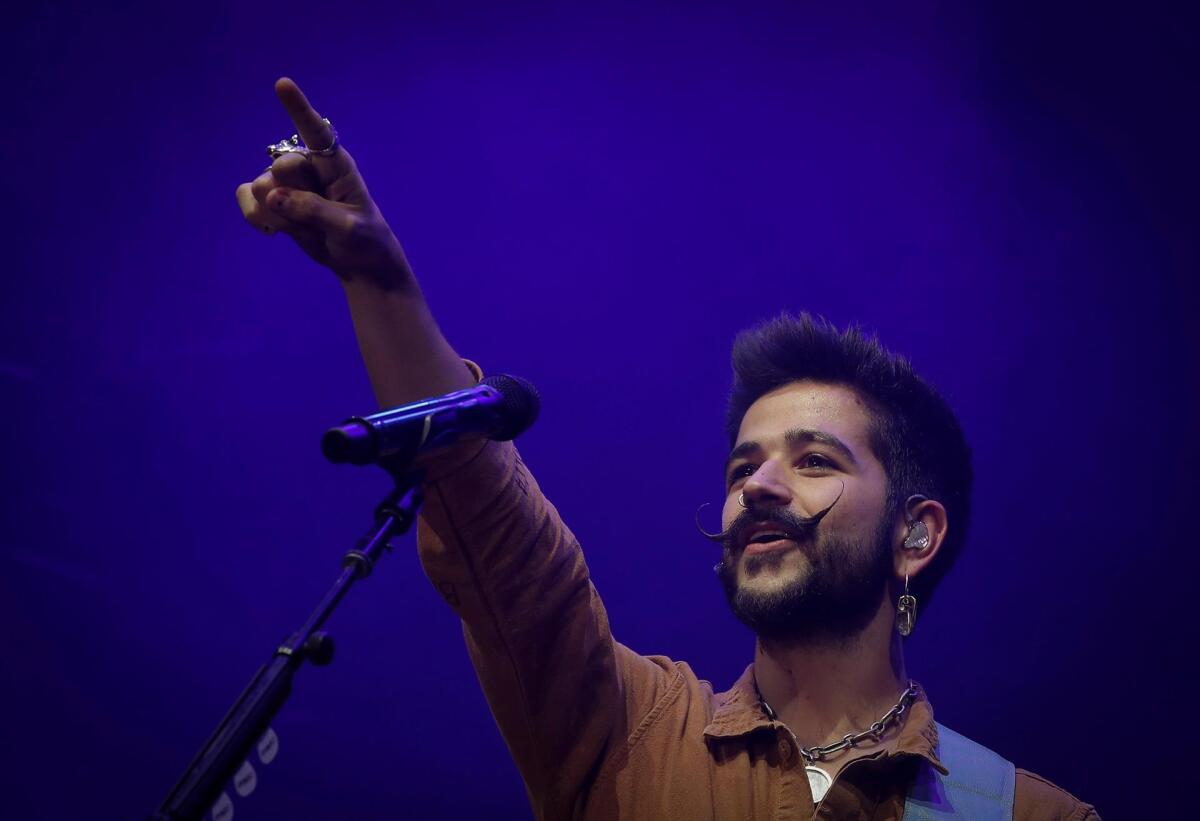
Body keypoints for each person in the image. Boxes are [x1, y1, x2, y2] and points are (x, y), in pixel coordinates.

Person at [237, 78, 1099, 820]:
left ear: (916, 534)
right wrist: (379, 278)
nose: (758, 485)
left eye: (814, 460)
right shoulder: (631, 733)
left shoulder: (1030, 812)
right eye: (741, 466)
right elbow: (500, 534)